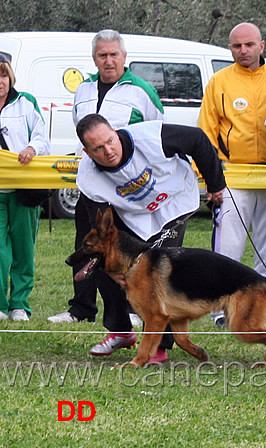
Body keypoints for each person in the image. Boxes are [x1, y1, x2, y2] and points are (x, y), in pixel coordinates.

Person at [74, 114, 226, 362]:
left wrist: (215, 183)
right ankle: (121, 331)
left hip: (174, 202)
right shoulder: (88, 176)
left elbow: (198, 139)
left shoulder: (151, 136)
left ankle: (158, 346)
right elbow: (100, 228)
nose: (108, 151)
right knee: (102, 265)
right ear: (87, 152)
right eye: (98, 149)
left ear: (115, 130)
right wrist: (111, 267)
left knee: (157, 272)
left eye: (110, 141)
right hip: (134, 214)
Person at [48, 29, 164, 325]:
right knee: (86, 243)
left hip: (126, 188)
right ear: (94, 58)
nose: (108, 60)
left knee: (125, 247)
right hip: (91, 185)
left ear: (124, 57)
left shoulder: (142, 90)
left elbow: (157, 135)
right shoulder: (83, 90)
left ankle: (132, 309)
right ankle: (81, 308)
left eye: (114, 54)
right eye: (103, 55)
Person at [199, 22, 266, 326]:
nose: (243, 51)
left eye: (249, 45)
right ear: (230, 48)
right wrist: (211, 178)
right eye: (237, 46)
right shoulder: (219, 81)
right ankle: (220, 309)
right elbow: (207, 133)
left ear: (262, 46)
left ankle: (264, 308)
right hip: (233, 177)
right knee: (228, 247)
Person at [0, 54, 51, 321]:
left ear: (10, 78)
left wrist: (32, 148)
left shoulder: (25, 103)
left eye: (3, 75)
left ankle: (19, 303)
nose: (0, 81)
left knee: (23, 249)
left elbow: (42, 137)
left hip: (23, 190)